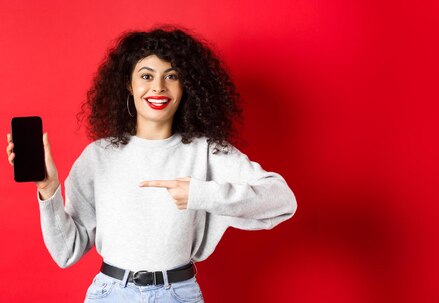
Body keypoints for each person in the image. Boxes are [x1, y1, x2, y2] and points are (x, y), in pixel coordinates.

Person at [5, 26, 297, 302]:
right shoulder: (98, 156)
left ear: (186, 87)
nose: (158, 87)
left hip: (178, 293)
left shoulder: (205, 152)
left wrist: (199, 194)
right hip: (111, 294)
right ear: (128, 85)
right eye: (146, 76)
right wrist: (48, 188)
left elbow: (282, 200)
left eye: (171, 76)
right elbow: (66, 252)